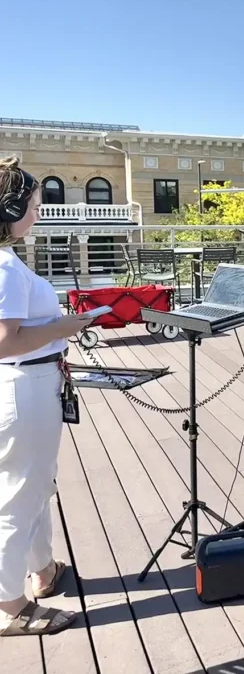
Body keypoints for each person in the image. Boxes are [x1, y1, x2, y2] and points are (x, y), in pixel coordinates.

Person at [0, 156, 91, 637]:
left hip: (27, 384)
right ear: (8, 207)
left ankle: (43, 572)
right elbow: (3, 340)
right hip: (23, 387)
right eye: (33, 205)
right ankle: (9, 607)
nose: (37, 213)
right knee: (18, 496)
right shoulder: (5, 267)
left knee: (33, 486)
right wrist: (65, 327)